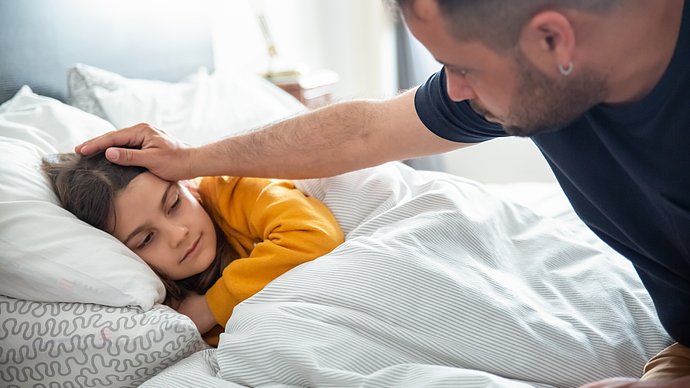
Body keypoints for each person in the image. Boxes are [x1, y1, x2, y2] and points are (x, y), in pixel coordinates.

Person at [75, 0, 688, 384]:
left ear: (553, 40)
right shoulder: (546, 77)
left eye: (462, 66)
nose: (452, 90)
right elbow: (366, 128)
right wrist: (191, 158)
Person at [42, 152, 344, 345]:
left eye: (174, 204)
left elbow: (315, 236)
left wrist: (213, 305)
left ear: (187, 186)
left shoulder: (231, 186)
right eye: (146, 239)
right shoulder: (158, 303)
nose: (178, 234)